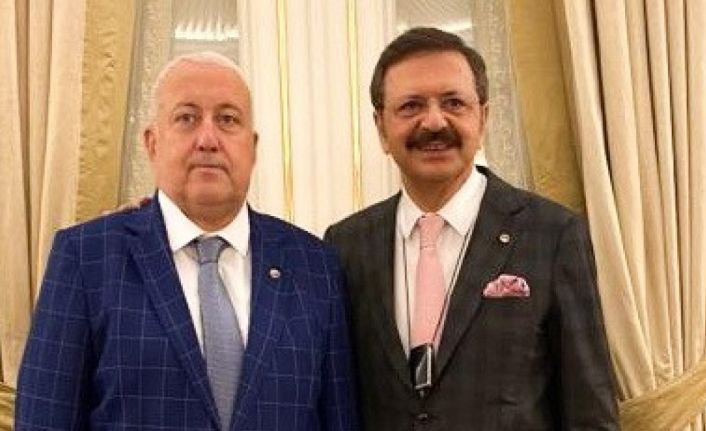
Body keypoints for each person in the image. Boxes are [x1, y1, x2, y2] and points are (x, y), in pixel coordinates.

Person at [15, 52, 357, 431]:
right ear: (152, 143)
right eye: (187, 118)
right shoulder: (87, 258)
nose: (208, 139)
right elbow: (45, 418)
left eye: (228, 120)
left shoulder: (315, 266)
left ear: (253, 146)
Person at [324, 27, 620, 430]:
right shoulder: (346, 246)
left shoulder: (552, 235)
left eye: (453, 103)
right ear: (381, 128)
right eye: (411, 106)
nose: (433, 121)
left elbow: (590, 413)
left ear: (483, 118)